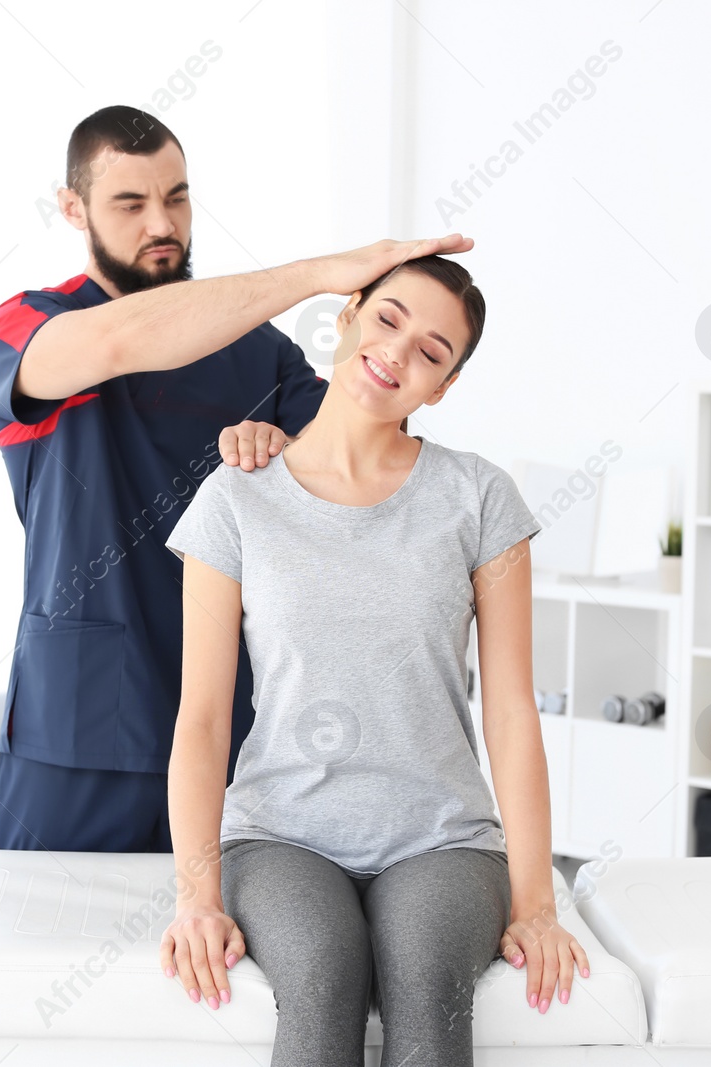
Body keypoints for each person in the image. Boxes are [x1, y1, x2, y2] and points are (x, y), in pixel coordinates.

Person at [0, 103, 462, 852]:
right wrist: (317, 274)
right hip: (80, 730)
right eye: (130, 203)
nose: (161, 223)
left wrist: (295, 451)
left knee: (220, 963)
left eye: (175, 196)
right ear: (73, 208)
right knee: (43, 949)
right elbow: (123, 340)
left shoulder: (260, 355)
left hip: (239, 731)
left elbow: (371, 454)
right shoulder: (28, 325)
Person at [157, 255, 588, 1066]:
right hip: (281, 835)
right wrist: (197, 897)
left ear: (444, 385)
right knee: (324, 970)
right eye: (388, 318)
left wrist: (536, 902)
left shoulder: (479, 497)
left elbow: (510, 711)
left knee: (425, 976)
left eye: (432, 351)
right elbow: (204, 718)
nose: (397, 352)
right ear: (347, 314)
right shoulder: (235, 498)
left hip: (442, 837)